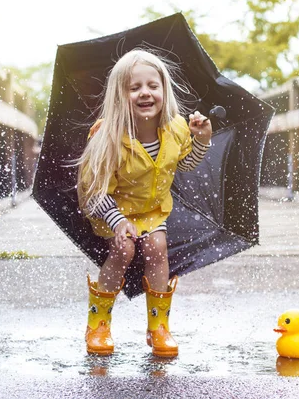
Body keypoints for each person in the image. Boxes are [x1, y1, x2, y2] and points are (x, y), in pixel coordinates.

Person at [76, 49, 212, 357]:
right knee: (123, 249)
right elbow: (95, 191)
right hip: (112, 208)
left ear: (164, 89)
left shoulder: (176, 128)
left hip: (151, 209)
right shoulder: (106, 136)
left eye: (153, 85)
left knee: (156, 248)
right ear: (119, 96)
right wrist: (118, 222)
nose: (145, 93)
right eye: (134, 87)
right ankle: (98, 324)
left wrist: (201, 140)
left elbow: (186, 164)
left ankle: (158, 327)